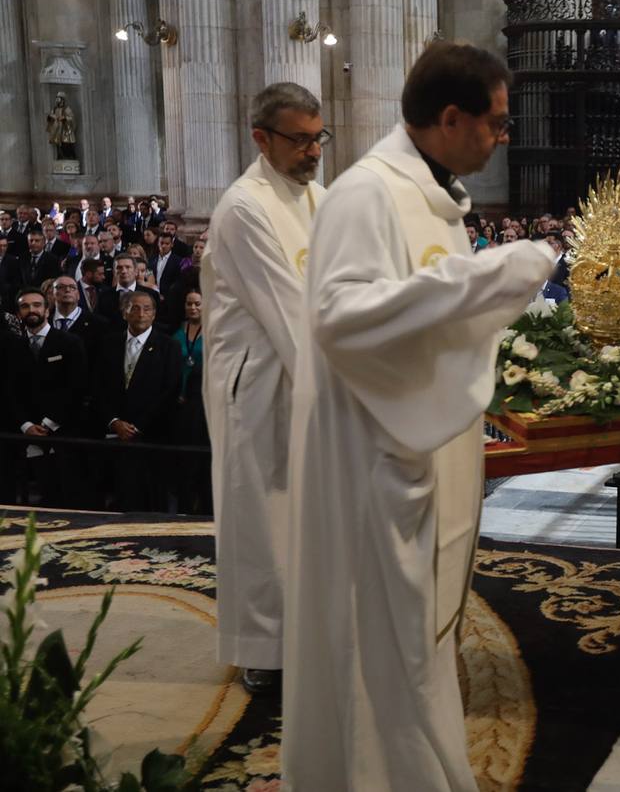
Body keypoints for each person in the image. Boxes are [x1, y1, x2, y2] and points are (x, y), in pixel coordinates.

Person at [284, 42, 556, 791]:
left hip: (415, 455)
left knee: (417, 638)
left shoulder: (428, 192)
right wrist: (482, 281)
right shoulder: (367, 194)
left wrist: (480, 294)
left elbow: (427, 315)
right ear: (448, 118)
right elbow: (338, 317)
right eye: (495, 122)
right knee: (384, 638)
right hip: (371, 461)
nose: (503, 136)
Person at [201, 82, 330, 696]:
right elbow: (290, 313)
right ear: (261, 138)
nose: (313, 152)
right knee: (259, 512)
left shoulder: (317, 198)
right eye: (300, 140)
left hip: (304, 372)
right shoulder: (244, 207)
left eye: (318, 137)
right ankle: (262, 651)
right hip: (255, 383)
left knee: (306, 513)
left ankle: (306, 634)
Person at [92, 290, 182, 511]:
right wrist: (114, 421)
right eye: (134, 308)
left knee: (151, 499)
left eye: (147, 308)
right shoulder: (108, 343)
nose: (140, 313)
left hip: (151, 436)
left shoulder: (169, 346)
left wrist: (137, 426)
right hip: (114, 435)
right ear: (124, 313)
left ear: (154, 314)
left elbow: (170, 390)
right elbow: (97, 386)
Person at [1, 288, 88, 507]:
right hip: (21, 434)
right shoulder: (10, 346)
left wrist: (49, 423)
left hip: (62, 433)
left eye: (37, 305)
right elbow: (7, 389)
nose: (32, 310)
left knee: (62, 499)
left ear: (47, 310)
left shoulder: (70, 342)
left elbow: (76, 388)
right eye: (25, 306)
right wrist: (25, 424)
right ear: (18, 313)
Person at [172, 290, 210, 515]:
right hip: (178, 399)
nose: (193, 308)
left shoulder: (214, 331)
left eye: (197, 303)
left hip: (201, 401)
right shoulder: (178, 331)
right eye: (189, 304)